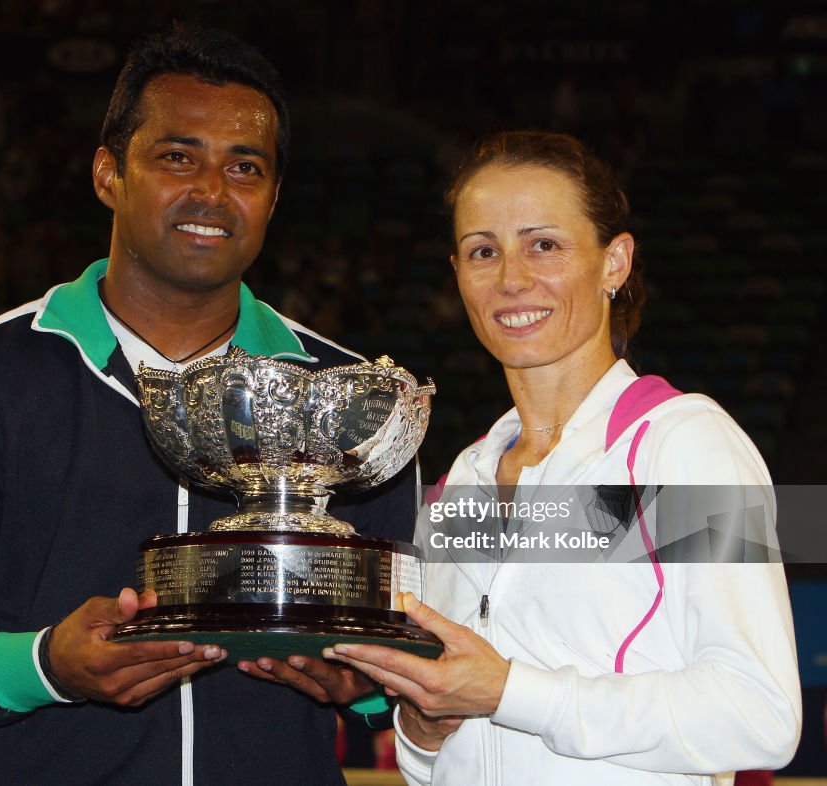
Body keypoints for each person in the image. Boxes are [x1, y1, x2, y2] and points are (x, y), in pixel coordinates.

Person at [0, 26, 415, 786]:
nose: (212, 192)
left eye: (245, 167)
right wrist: (42, 667)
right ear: (109, 173)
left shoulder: (344, 394)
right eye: (178, 157)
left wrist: (373, 690)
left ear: (273, 196)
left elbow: (412, 638)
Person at [325, 130, 802, 785]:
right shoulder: (460, 482)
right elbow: (438, 761)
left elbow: (761, 716)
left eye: (543, 244)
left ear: (615, 262)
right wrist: (424, 727)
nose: (512, 279)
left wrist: (510, 691)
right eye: (482, 251)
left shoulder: (681, 447)